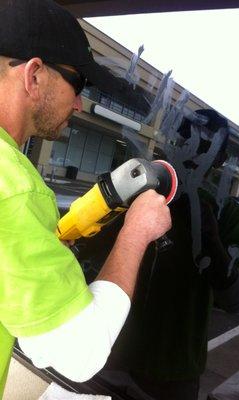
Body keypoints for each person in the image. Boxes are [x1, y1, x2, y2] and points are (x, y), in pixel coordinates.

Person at [0, 1, 171, 398]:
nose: (78, 104)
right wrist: (136, 231)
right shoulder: (13, 188)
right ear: (34, 75)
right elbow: (79, 353)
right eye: (78, 85)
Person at [95, 109, 239, 400]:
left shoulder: (226, 214)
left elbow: (237, 299)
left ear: (220, 160)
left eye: (206, 147)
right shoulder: (138, 187)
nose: (192, 153)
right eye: (185, 139)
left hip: (171, 374)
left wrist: (211, 241)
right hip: (109, 353)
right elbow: (87, 255)